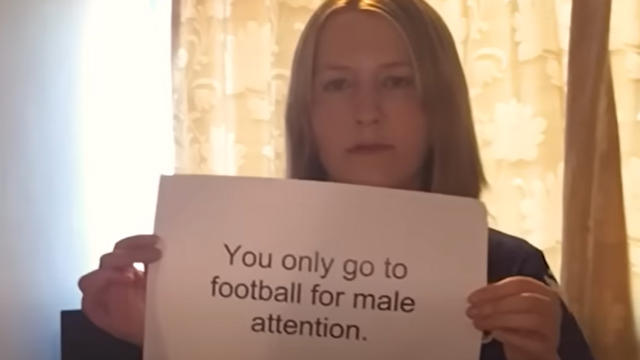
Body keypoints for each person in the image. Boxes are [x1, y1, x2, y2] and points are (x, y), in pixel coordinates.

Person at [78, 0, 595, 359]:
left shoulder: (510, 270)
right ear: (306, 113)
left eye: (396, 81)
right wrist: (157, 336)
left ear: (441, 104)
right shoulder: (236, 273)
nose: (366, 111)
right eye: (337, 84)